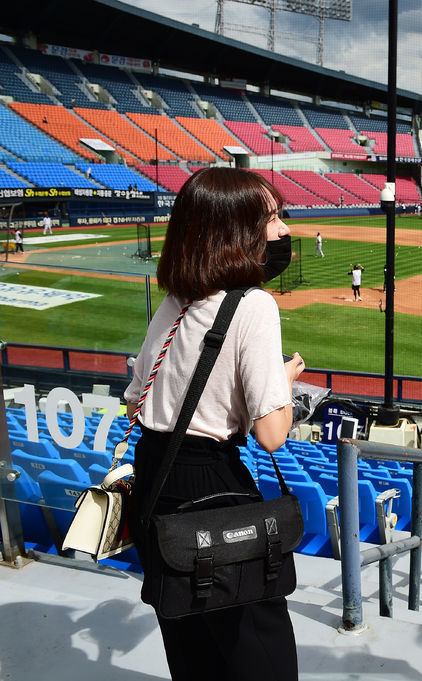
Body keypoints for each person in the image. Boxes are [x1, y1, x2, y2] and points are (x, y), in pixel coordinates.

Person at [124, 168, 303, 681]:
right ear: (235, 230)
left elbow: (136, 403)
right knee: (259, 650)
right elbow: (271, 434)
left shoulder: (173, 302)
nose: (284, 229)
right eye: (272, 218)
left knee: (191, 649)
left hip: (154, 477)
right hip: (213, 483)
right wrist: (284, 382)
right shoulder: (254, 305)